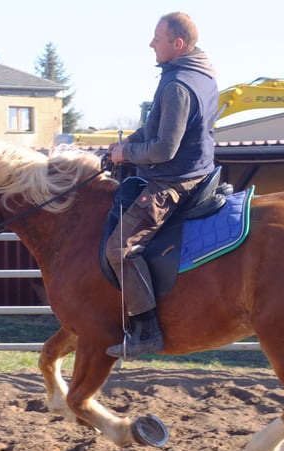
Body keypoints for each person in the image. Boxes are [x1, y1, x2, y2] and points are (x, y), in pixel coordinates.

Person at [105, 12, 218, 359]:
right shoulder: (200, 75)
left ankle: (146, 328)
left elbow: (164, 148)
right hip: (198, 170)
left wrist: (126, 153)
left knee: (118, 250)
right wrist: (119, 149)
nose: (151, 44)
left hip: (175, 182)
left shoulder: (177, 85)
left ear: (178, 44)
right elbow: (154, 128)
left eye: (158, 38)